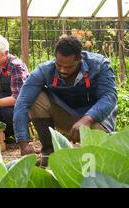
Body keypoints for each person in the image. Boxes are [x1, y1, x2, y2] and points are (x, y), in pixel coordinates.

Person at [14, 35, 118, 167]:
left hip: (95, 120)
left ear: (79, 59)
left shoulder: (99, 65)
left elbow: (109, 97)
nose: (62, 70)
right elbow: (22, 103)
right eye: (59, 65)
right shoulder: (44, 70)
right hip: (66, 115)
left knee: (93, 161)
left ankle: (89, 165)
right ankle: (49, 154)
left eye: (68, 67)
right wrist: (23, 142)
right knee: (36, 98)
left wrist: (87, 119)